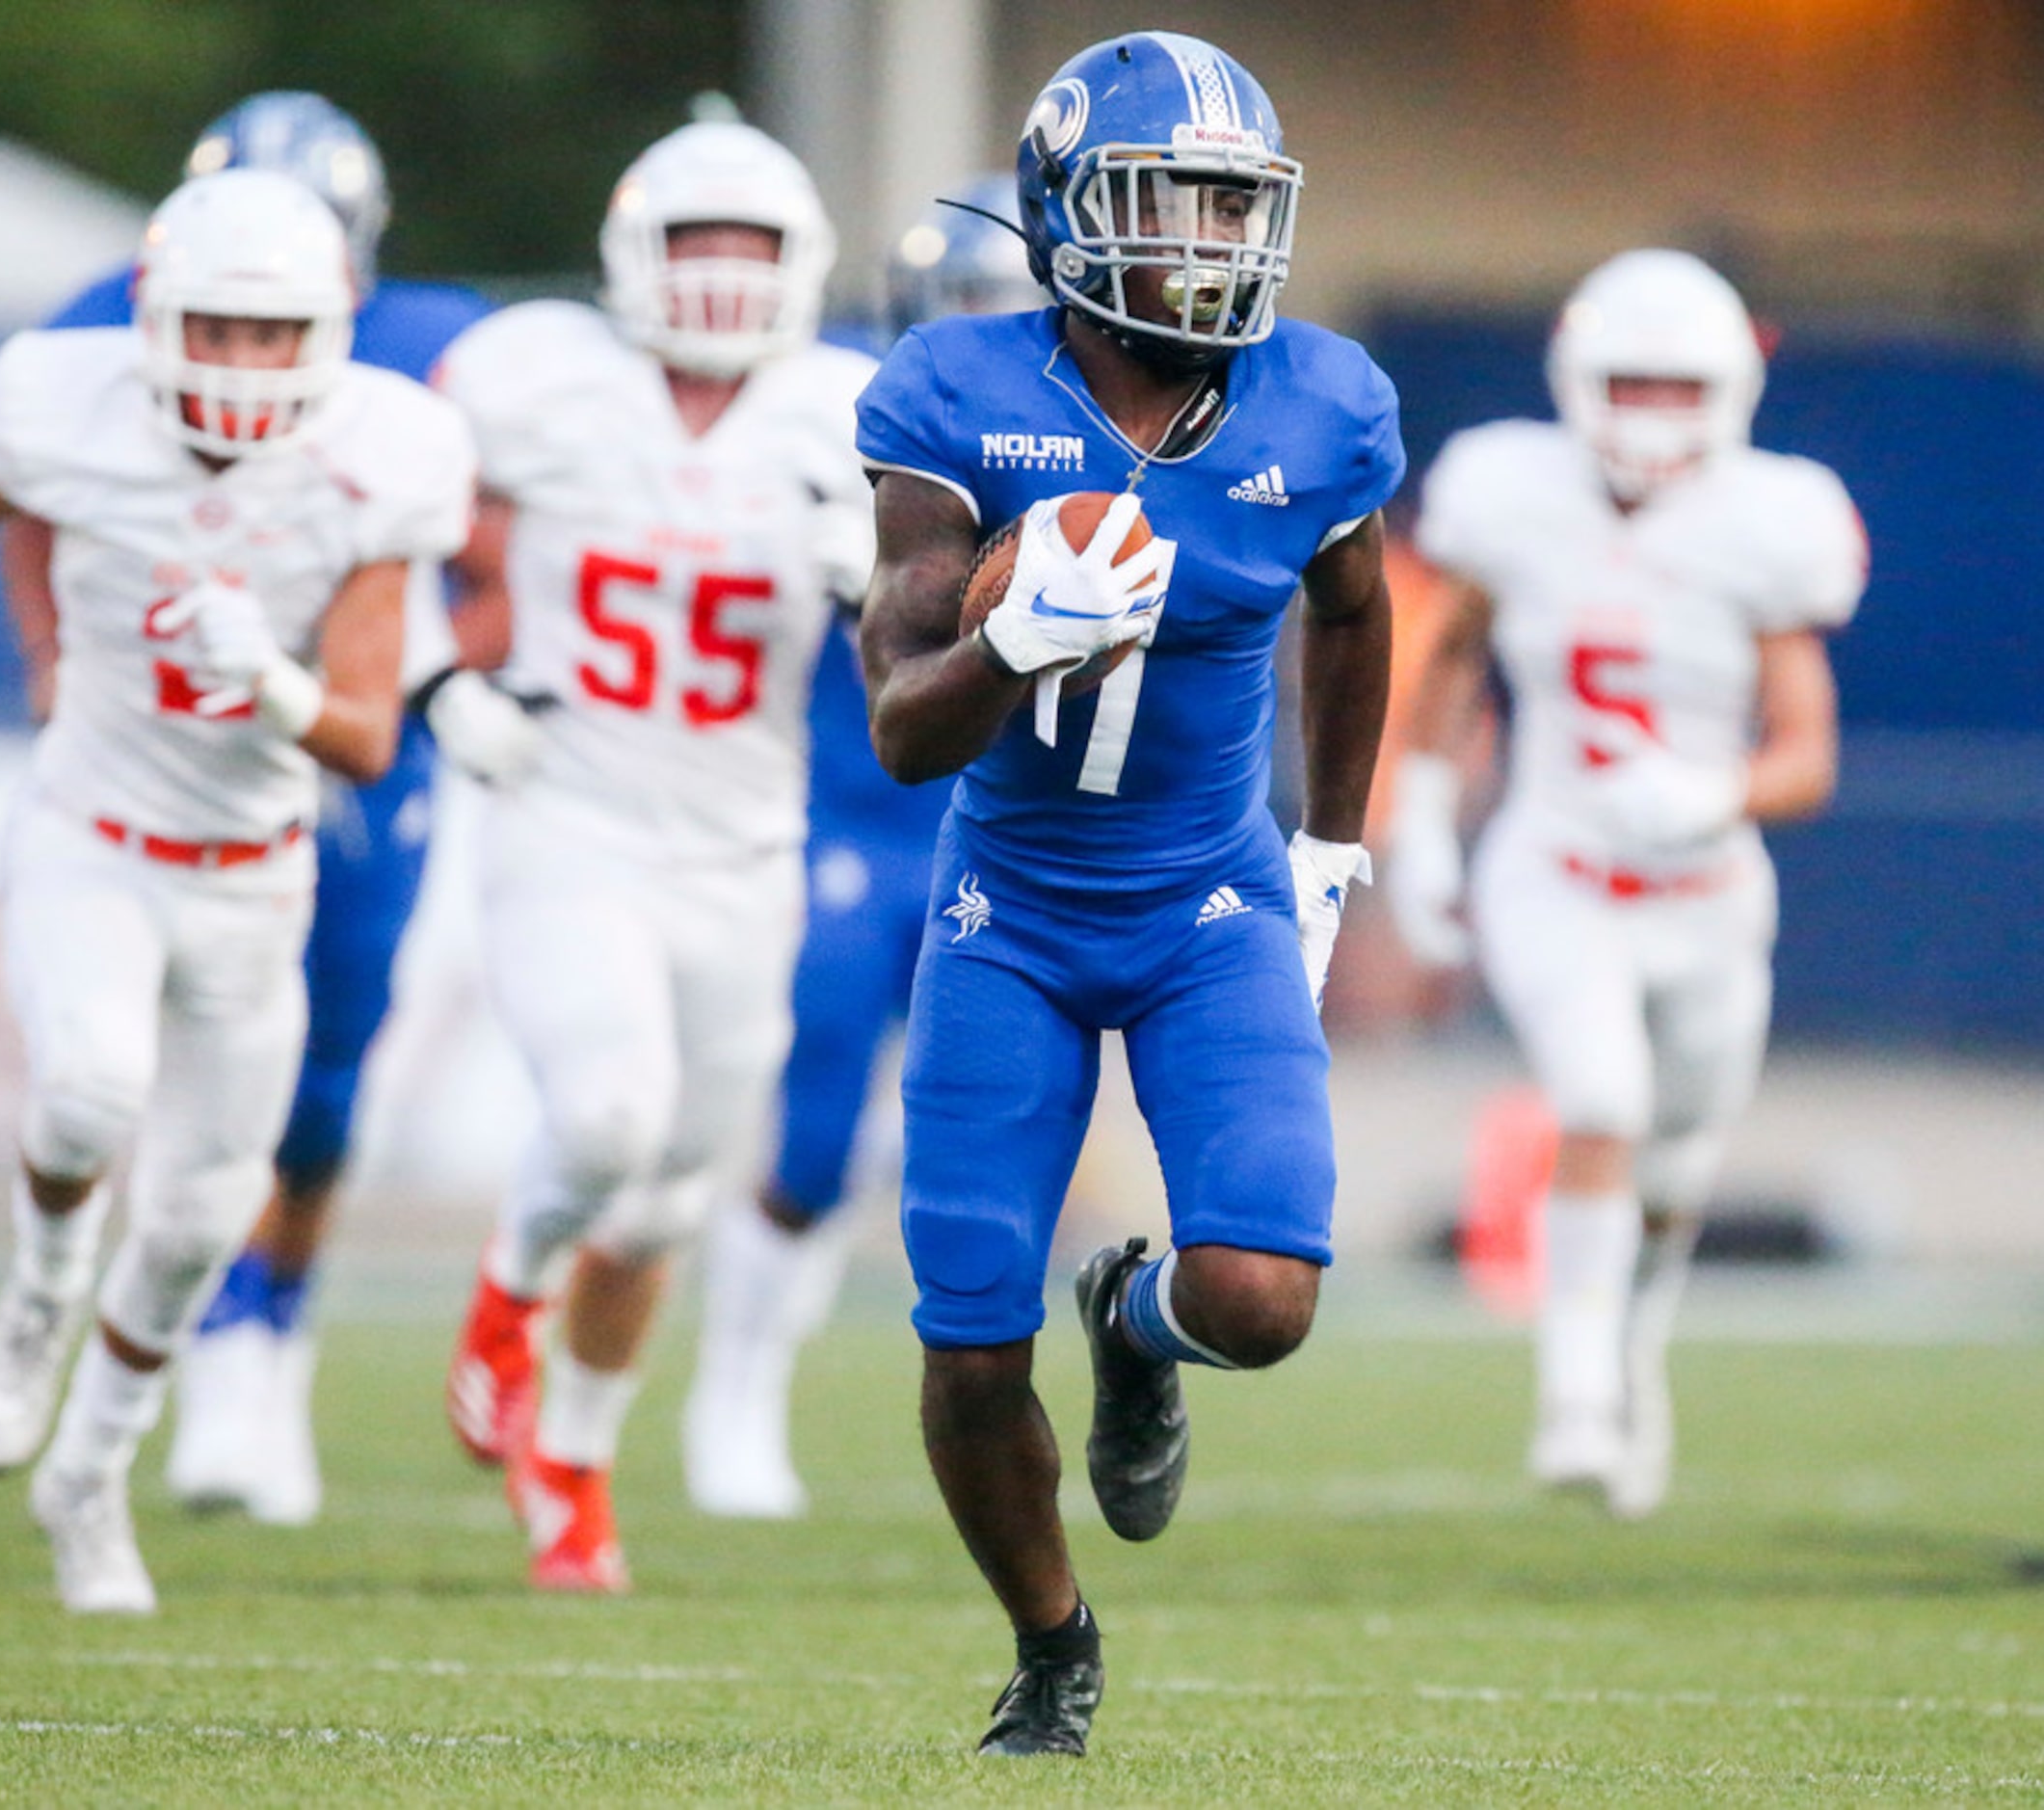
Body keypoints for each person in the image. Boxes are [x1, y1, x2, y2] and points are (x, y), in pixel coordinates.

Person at [0, 168, 477, 1612]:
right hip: (94, 834)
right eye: (214, 327)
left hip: (255, 874)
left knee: (194, 1220)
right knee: (85, 1094)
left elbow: (367, 736)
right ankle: (43, 1287)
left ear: (335, 329)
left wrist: (270, 679)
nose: (241, 362)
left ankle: (90, 1478)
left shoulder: (381, 452)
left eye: (272, 331)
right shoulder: (69, 405)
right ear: (153, 318)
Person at [856, 32, 1402, 1757]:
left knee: (1262, 1296)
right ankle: (1052, 1642)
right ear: (1068, 217)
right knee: (962, 1345)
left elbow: (1355, 608)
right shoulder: (951, 390)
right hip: (1004, 910)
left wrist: (1328, 845)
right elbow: (895, 729)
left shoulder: (1324, 404)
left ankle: (1135, 1314)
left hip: (1205, 906)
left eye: (1235, 210)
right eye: (1170, 208)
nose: (1211, 248)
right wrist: (1011, 642)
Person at [2, 93, 528, 1530]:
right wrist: (57, 657)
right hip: (160, 740)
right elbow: (13, 492)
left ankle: (262, 1329)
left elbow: (506, 541)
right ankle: (173, 1322)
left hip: (349, 737)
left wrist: (452, 663)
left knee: (324, 1069)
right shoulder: (98, 333)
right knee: (146, 1045)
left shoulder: (437, 352)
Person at [433, 115, 876, 1590]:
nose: (721, 277)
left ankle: (573, 1457)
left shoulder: (848, 410)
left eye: (750, 247)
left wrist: (887, 583)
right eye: (696, 243)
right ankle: (505, 1298)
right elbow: (383, 531)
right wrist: (444, 684)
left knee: (672, 1191)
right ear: (634, 253)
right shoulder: (534, 378)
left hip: (744, 846)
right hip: (569, 811)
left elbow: (949, 628)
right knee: (612, 1117)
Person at [1386, 248, 1866, 1520]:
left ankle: (1628, 1355)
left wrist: (1714, 794)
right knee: (1597, 1099)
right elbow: (1449, 659)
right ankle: (1576, 1397)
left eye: (1675, 387)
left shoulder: (1768, 522)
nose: (1650, 416)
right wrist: (1426, 817)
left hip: (1703, 893)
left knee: (1673, 1165)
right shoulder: (1510, 492)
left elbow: (1806, 754)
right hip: (1557, 866)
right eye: (1628, 384)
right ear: (1575, 374)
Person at [681, 173, 1046, 1521]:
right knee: (815, 1127)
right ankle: (736, 1391)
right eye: (963, 308)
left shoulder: (1104, 434)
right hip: (844, 816)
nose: (990, 337)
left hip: (1002, 840)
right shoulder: (842, 416)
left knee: (988, 1164)